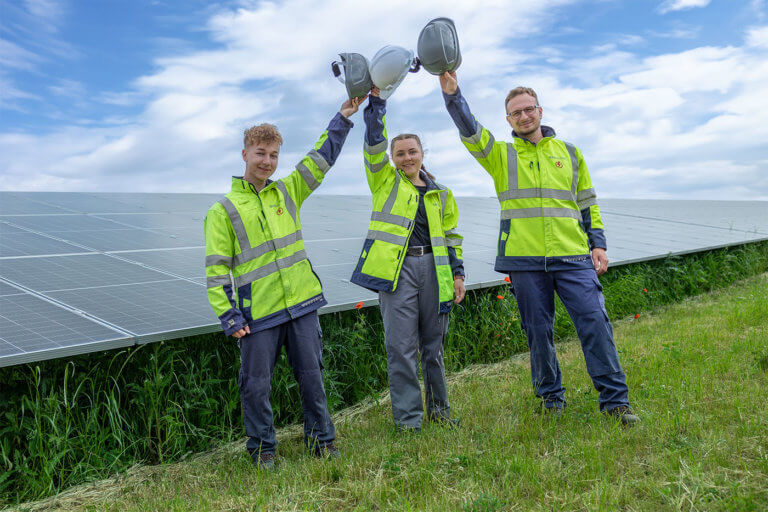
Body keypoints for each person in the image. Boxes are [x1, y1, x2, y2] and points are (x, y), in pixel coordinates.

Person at [438, 71, 638, 425]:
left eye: (529, 109)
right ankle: (550, 398)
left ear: (540, 111)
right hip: (525, 259)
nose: (524, 116)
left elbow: (588, 202)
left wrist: (598, 245)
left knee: (595, 323)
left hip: (574, 255)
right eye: (516, 113)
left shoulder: (570, 153)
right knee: (538, 333)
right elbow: (470, 132)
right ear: (509, 120)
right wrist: (454, 95)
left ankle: (616, 402)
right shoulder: (500, 155)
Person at [204, 95, 365, 470]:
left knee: (313, 378)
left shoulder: (288, 192)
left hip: (303, 303)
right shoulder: (223, 210)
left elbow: (320, 160)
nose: (267, 162)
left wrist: (342, 117)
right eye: (260, 153)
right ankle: (263, 451)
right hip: (258, 312)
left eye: (274, 155)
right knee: (256, 386)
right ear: (244, 154)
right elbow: (215, 270)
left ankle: (322, 442)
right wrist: (228, 314)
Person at [350, 87, 466, 432]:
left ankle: (441, 413)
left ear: (422, 154)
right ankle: (409, 421)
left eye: (412, 152)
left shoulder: (441, 193)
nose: (406, 158)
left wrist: (458, 274)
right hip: (397, 273)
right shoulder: (384, 181)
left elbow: (452, 236)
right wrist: (377, 105)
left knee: (434, 348)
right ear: (392, 158)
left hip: (435, 270)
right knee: (401, 349)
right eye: (399, 153)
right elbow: (372, 144)